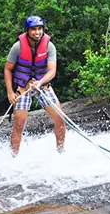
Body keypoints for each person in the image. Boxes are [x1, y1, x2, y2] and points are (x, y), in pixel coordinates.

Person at [4, 15, 66, 156]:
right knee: (19, 124)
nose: (37, 32)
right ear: (27, 31)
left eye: (39, 29)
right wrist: (10, 92)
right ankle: (13, 157)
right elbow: (7, 69)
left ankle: (61, 151)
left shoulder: (49, 46)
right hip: (23, 88)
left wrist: (40, 82)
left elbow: (52, 71)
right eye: (33, 29)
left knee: (60, 118)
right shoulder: (17, 47)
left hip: (42, 85)